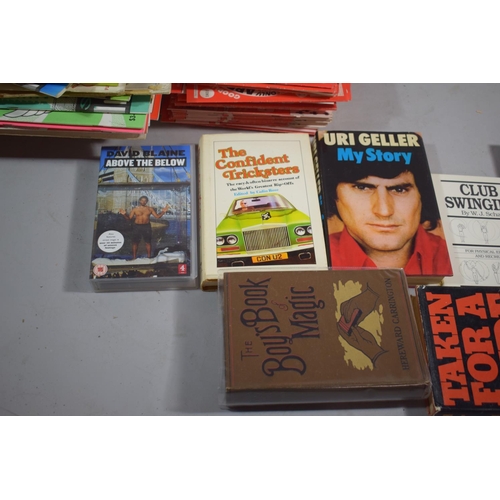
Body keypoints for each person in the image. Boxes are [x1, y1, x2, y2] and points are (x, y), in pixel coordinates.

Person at [326, 160, 452, 276]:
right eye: (363, 188)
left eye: (399, 189)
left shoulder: (449, 256)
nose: (384, 211)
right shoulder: (321, 254)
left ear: (422, 197)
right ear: (334, 196)